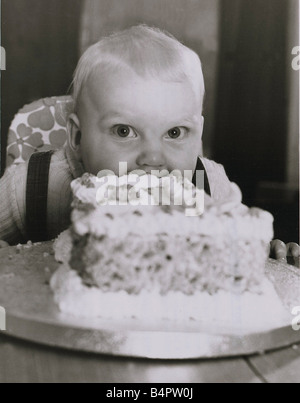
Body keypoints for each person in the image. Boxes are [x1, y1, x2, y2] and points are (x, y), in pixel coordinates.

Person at [0, 25, 298, 264]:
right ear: (77, 138)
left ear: (199, 136)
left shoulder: (209, 185)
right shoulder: (28, 186)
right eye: (124, 130)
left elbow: (238, 248)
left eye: (175, 133)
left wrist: (266, 251)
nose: (153, 158)